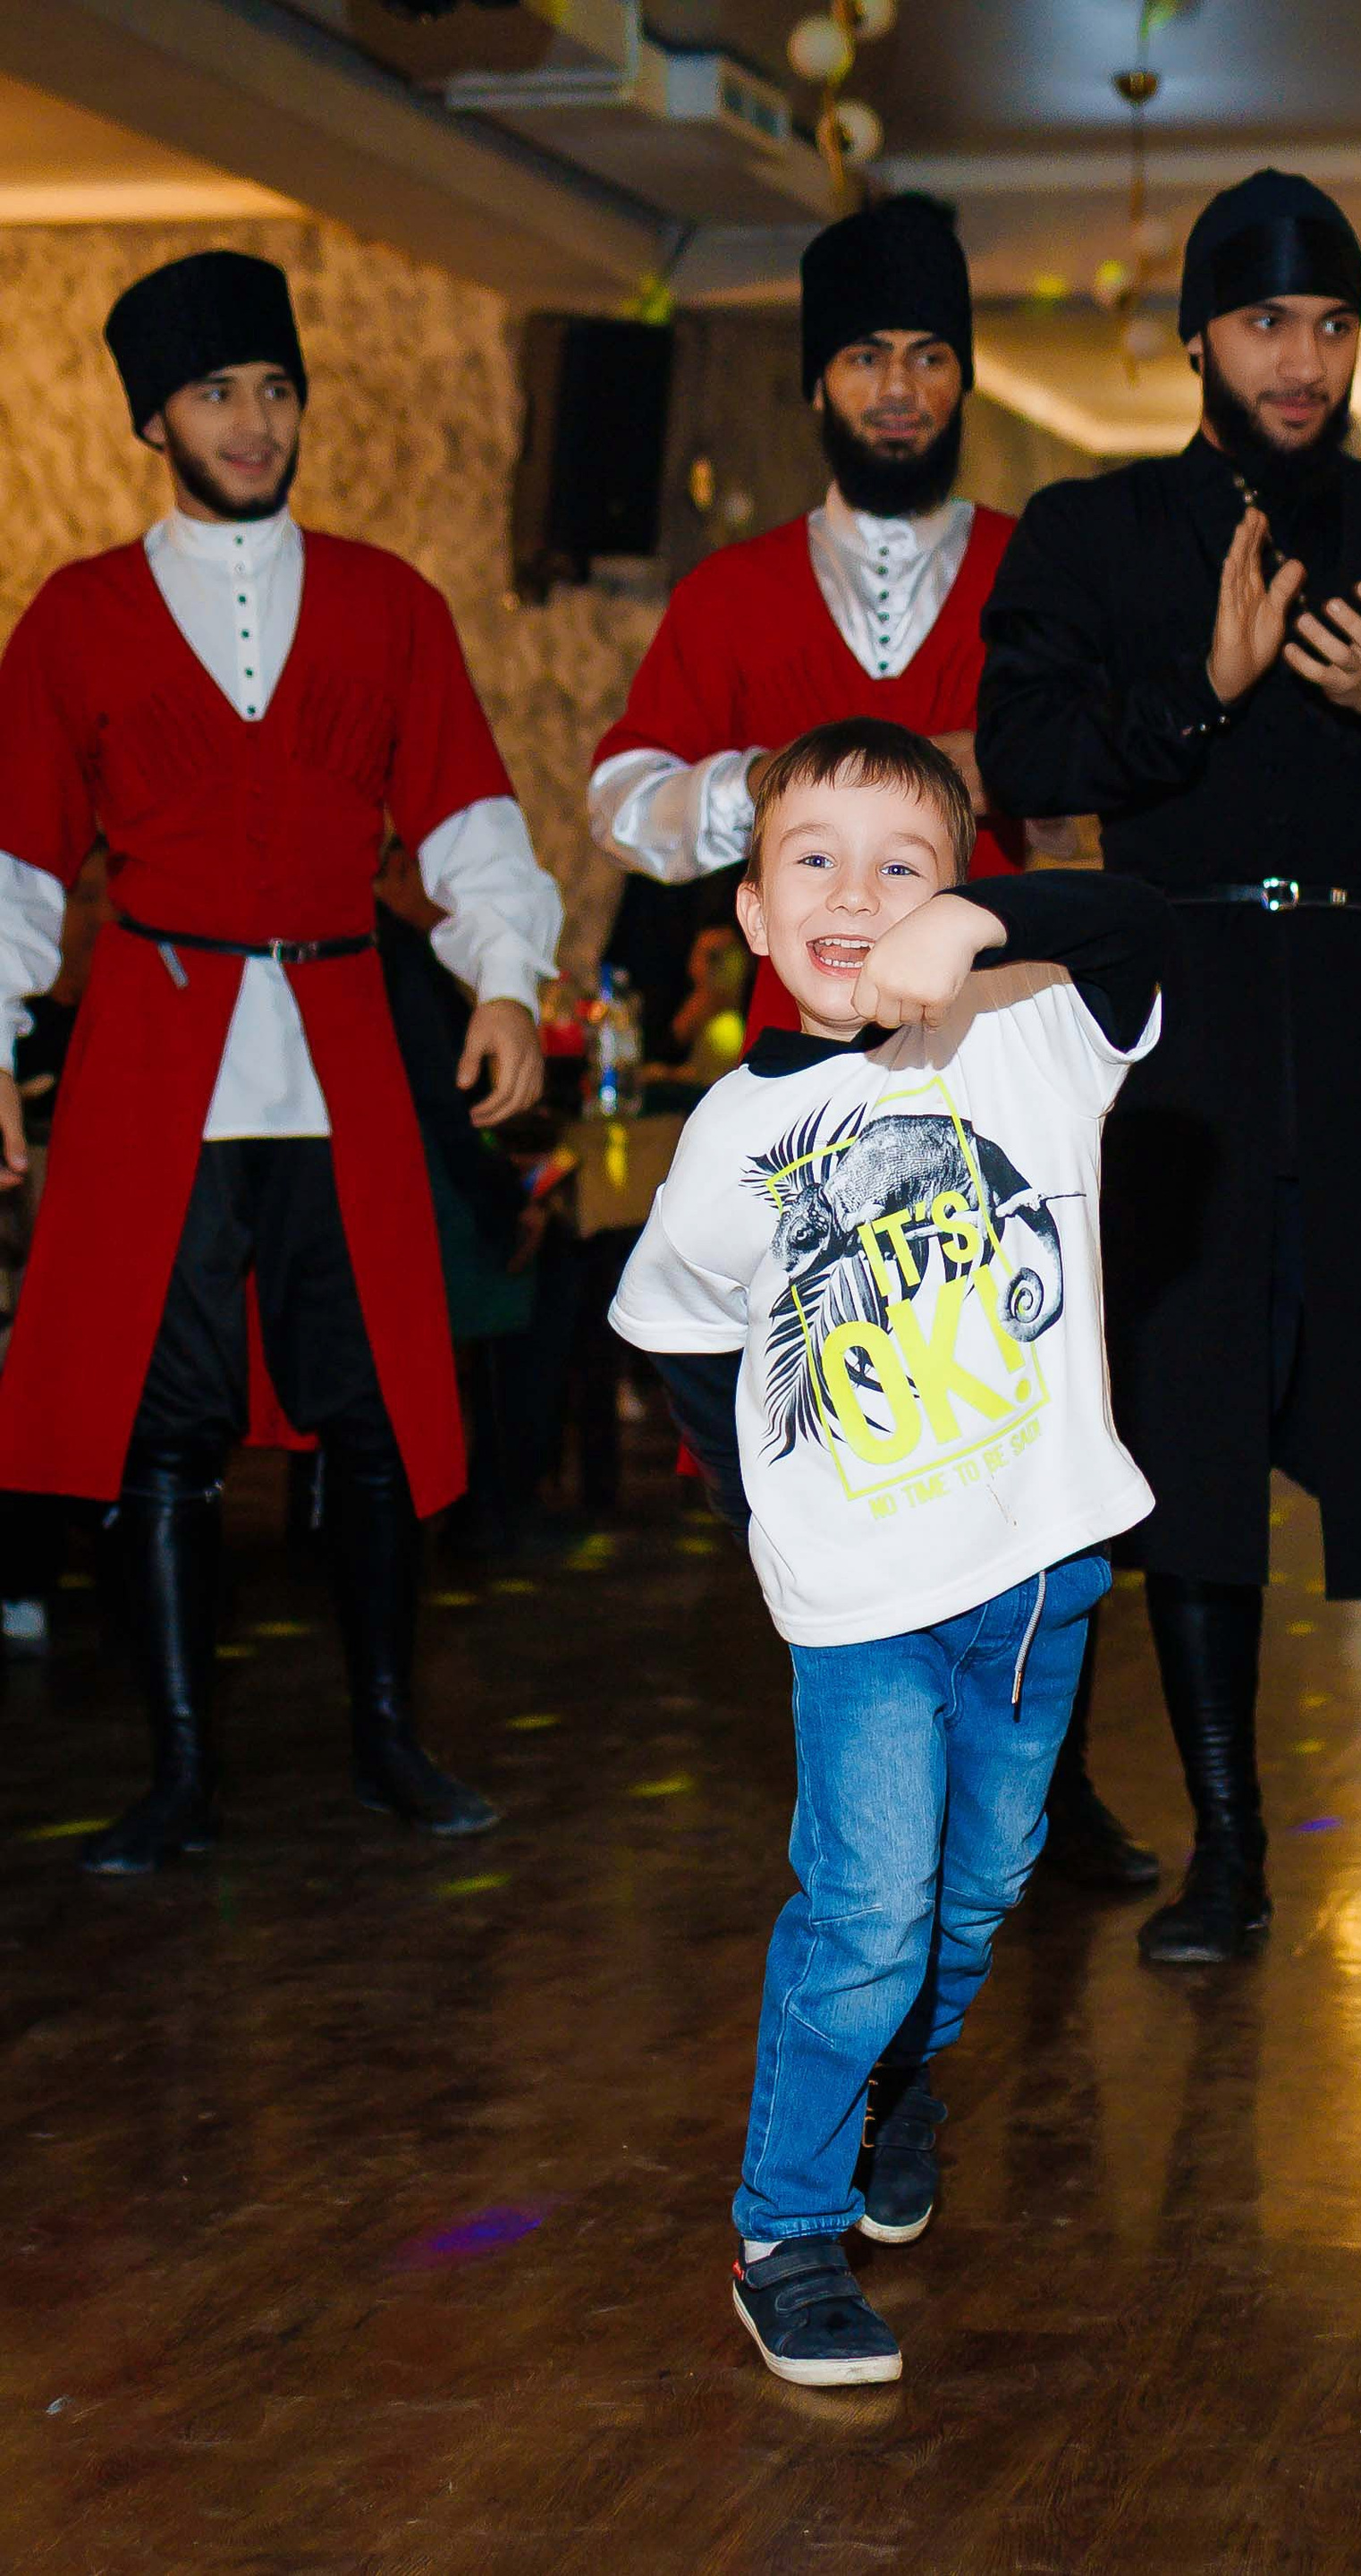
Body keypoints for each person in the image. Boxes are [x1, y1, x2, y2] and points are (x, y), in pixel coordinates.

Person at [976, 168, 1361, 1998]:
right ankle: (1228, 1859)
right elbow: (1022, 752)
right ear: (1197, 340)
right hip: (1176, 1028)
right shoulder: (1092, 530)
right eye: (1263, 325)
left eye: (1330, 325)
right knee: (1192, 1435)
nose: (1300, 360)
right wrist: (1206, 689)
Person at [593, 192, 1150, 1891]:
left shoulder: (1040, 564)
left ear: (962, 377)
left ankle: (1046, 1783)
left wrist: (1018, 772)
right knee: (862, 1414)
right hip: (804, 1077)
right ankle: (878, 1776)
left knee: (1031, 1399)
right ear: (818, 385)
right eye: (863, 360)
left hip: (1014, 1049)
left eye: (926, 357)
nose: (898, 389)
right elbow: (620, 795)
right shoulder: (733, 588)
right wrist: (771, 789)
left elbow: (1129, 773)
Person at [609, 717, 1171, 2386]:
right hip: (863, 1614)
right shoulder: (730, 1140)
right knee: (869, 1915)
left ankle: (897, 2086)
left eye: (902, 866)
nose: (856, 895)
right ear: (753, 913)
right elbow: (674, 1327)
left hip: (1041, 1577)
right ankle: (785, 2228)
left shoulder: (1030, 1027)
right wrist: (771, 1519)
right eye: (815, 861)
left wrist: (980, 925)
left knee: (980, 1893)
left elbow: (1150, 918)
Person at [0, 250, 562, 1874]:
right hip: (153, 1058)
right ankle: (181, 1772)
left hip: (342, 1053)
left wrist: (506, 981)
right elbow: (16, 859)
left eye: (274, 389)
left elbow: (468, 814)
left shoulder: (392, 604)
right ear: (153, 421)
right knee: (163, 1424)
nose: (252, 422)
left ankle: (389, 1738)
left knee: (374, 1406)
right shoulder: (77, 618)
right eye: (214, 394)